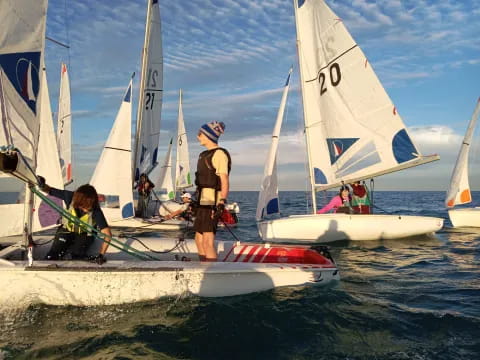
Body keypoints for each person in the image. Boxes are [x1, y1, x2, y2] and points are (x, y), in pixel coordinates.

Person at [37, 177, 112, 264]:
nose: (89, 208)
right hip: (66, 231)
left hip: (85, 235)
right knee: (53, 254)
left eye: (91, 204)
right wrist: (42, 185)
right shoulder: (70, 196)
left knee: (76, 256)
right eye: (87, 205)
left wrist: (101, 255)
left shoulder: (96, 210)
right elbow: (49, 190)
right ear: (79, 201)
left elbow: (108, 234)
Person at [193, 121, 231, 261]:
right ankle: (204, 267)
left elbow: (224, 180)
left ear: (209, 136)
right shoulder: (203, 155)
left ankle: (212, 270)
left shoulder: (220, 154)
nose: (198, 136)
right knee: (198, 239)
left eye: (200, 133)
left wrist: (221, 202)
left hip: (212, 203)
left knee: (208, 242)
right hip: (202, 202)